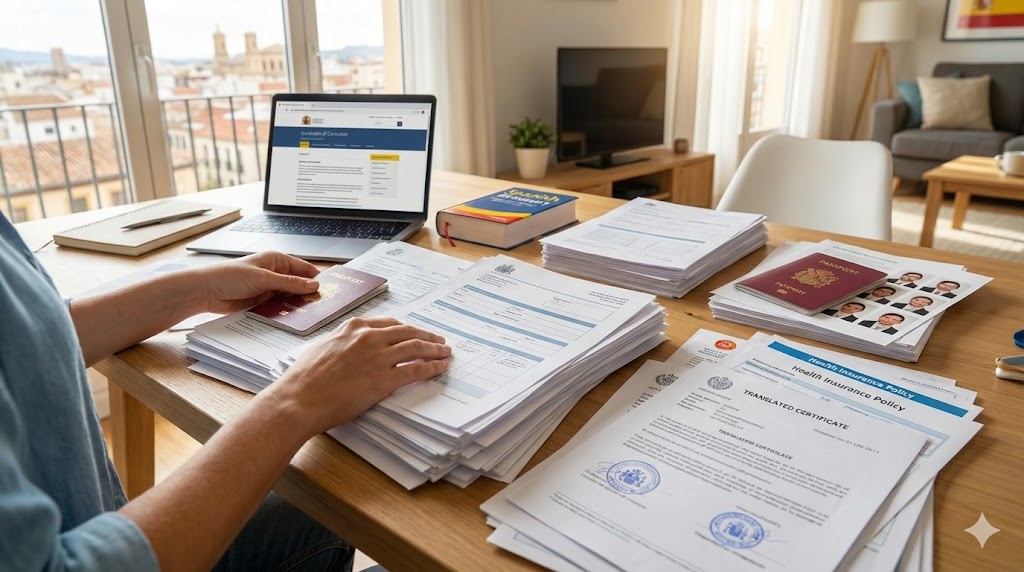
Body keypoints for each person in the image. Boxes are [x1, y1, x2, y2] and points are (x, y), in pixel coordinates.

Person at [0, 212, 452, 571]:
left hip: (99, 523)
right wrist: (294, 400)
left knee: (325, 500)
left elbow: (23, 339)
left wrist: (198, 290)